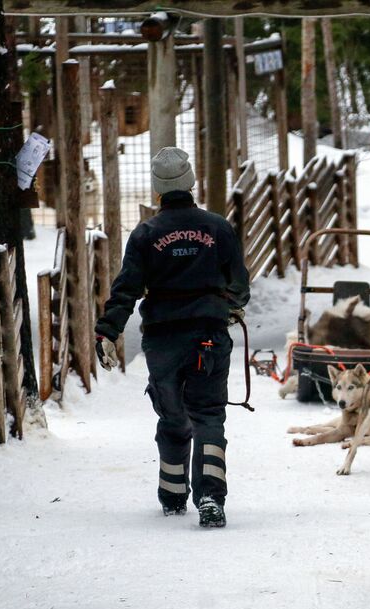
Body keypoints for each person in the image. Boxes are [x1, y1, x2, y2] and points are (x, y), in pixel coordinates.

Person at [94, 147, 250, 528]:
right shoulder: (217, 227)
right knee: (209, 415)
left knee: (172, 416)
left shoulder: (146, 233)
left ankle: (173, 494)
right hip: (208, 339)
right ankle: (211, 498)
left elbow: (126, 288)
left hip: (163, 342)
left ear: (157, 190)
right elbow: (239, 284)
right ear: (191, 183)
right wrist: (228, 307)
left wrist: (107, 330)